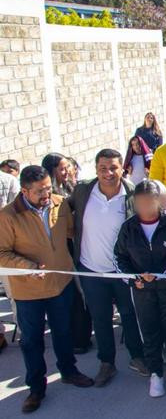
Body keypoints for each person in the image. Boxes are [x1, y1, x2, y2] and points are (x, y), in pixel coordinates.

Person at [0, 165, 94, 413]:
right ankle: (36, 388)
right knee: (32, 341)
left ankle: (69, 371)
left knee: (64, 332)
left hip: (60, 284)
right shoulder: (8, 216)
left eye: (48, 188)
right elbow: (1, 253)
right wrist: (27, 266)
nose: (46, 195)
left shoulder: (60, 203)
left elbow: (72, 231)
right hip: (28, 291)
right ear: (24, 191)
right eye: (40, 191)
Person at [69, 149, 147, 387]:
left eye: (113, 168)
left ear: (122, 168)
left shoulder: (133, 193)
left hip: (122, 271)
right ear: (96, 169)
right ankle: (107, 363)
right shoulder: (83, 192)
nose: (108, 173)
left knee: (130, 315)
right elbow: (63, 212)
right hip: (91, 270)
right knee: (100, 318)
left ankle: (137, 357)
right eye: (103, 168)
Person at [113, 180, 166, 398]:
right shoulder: (128, 227)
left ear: (159, 201)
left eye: (150, 202)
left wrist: (162, 274)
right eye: (140, 202)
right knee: (149, 330)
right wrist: (133, 278)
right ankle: (156, 373)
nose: (145, 207)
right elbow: (119, 257)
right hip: (141, 291)